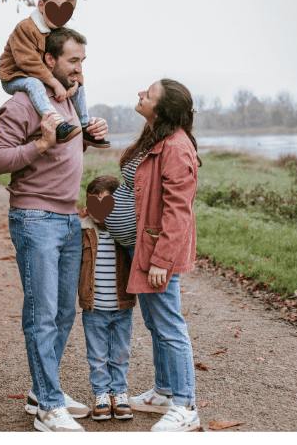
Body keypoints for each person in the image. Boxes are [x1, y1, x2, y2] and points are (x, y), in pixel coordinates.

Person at [0, 26, 109, 432]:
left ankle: (43, 391)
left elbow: (67, 149)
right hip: (35, 219)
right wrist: (39, 144)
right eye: (73, 61)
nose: (79, 70)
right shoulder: (23, 105)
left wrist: (91, 136)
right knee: (41, 315)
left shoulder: (69, 101)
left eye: (83, 62)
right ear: (50, 62)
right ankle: (49, 409)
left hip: (68, 218)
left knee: (61, 314)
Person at [117, 79, 202, 432]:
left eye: (147, 95)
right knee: (155, 323)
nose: (140, 94)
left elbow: (178, 211)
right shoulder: (155, 138)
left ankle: (185, 406)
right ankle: (165, 391)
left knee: (169, 326)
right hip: (143, 248)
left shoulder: (176, 148)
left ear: (162, 108)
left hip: (156, 252)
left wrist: (161, 261)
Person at [0, 0, 109, 148]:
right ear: (41, 5)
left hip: (42, 76)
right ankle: (57, 124)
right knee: (32, 83)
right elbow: (27, 61)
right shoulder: (25, 28)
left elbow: (71, 60)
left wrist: (75, 83)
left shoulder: (60, 32)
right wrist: (55, 83)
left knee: (78, 84)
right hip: (15, 76)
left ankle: (84, 126)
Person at [77, 174, 135, 422]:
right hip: (95, 307)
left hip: (122, 305)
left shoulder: (123, 234)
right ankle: (101, 394)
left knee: (120, 352)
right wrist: (80, 220)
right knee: (97, 354)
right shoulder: (86, 231)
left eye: (107, 202)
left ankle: (119, 393)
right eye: (94, 202)